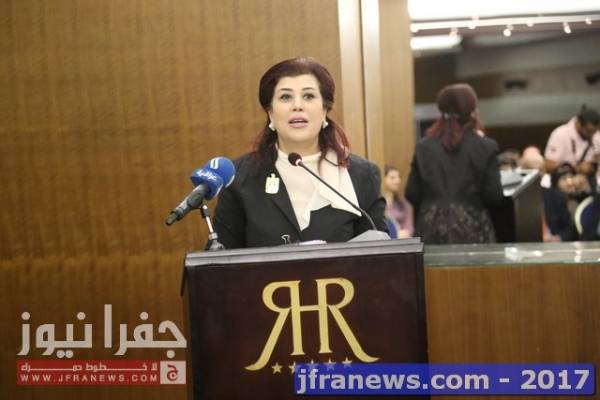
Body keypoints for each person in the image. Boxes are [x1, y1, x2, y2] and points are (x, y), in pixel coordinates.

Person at [212, 57, 387, 249]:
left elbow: (382, 256)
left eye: (309, 96)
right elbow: (222, 260)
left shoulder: (362, 175)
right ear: (270, 112)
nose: (297, 105)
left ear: (324, 110)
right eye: (285, 97)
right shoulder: (239, 177)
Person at [405, 83, 503, 244]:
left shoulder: (423, 147)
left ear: (441, 109)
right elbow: (494, 196)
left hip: (431, 230)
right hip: (474, 231)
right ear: (472, 110)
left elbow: (412, 192)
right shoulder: (487, 147)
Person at [544, 105, 600, 178]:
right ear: (579, 124)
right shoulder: (560, 134)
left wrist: (592, 166)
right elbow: (548, 165)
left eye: (594, 131)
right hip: (564, 179)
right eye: (588, 131)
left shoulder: (596, 136)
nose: (592, 135)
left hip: (591, 180)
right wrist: (576, 168)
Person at [382, 165, 413, 239]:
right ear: (383, 180)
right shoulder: (378, 204)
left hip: (403, 240)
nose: (397, 181)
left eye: (398, 177)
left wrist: (403, 233)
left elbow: (409, 228)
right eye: (392, 178)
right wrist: (395, 234)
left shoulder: (404, 204)